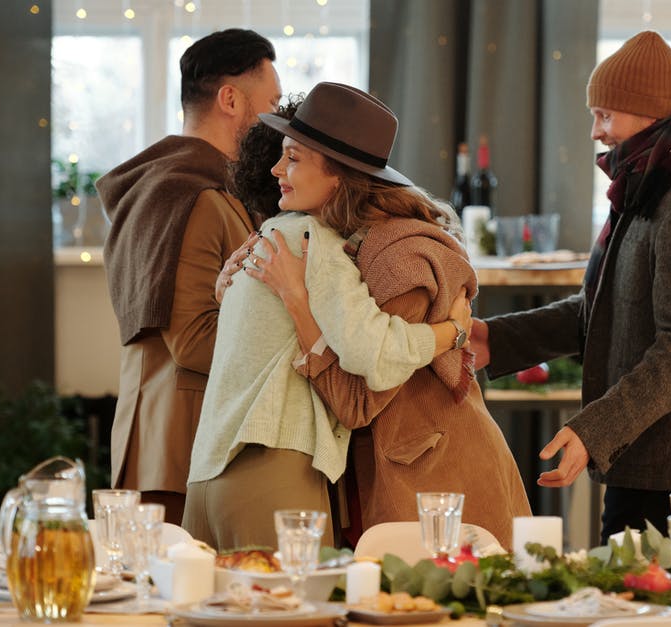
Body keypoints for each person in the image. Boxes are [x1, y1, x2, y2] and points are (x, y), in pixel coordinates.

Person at [470, 31, 671, 554]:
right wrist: (495, 338)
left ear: (646, 113)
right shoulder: (649, 183)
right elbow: (601, 310)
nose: (596, 132)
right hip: (643, 454)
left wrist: (593, 430)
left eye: (604, 116)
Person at [221, 82, 532, 547]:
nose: (277, 170)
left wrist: (296, 301)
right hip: (387, 478)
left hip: (438, 484)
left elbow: (357, 405)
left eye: (294, 158)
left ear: (339, 177)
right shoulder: (329, 241)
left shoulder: (403, 259)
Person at [95, 28, 282, 524]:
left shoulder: (200, 189)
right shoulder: (187, 195)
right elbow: (194, 340)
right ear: (230, 99)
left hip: (184, 446)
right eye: (273, 102)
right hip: (177, 452)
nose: (278, 121)